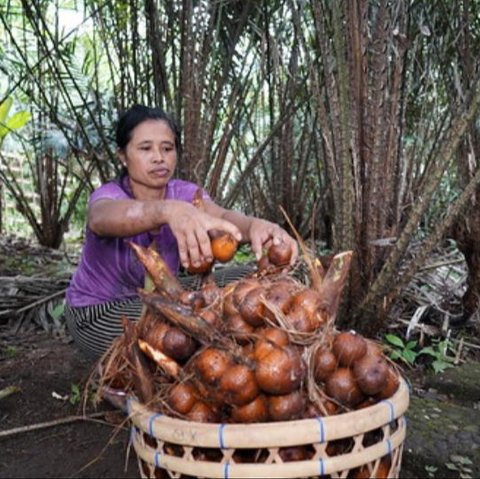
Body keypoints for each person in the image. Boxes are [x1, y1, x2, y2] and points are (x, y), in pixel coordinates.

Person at [65, 104, 298, 358]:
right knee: (184, 332)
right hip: (101, 310)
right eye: (145, 148)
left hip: (167, 297)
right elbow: (100, 218)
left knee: (259, 279)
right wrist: (167, 211)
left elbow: (221, 216)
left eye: (167, 148)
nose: (159, 157)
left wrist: (255, 225)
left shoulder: (184, 193)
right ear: (122, 155)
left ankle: (262, 355)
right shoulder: (110, 195)